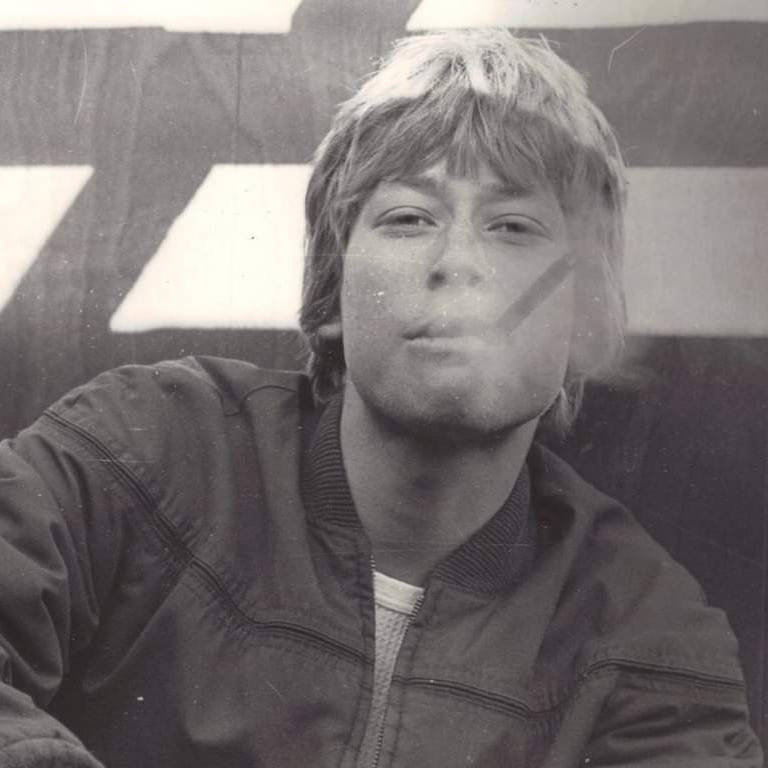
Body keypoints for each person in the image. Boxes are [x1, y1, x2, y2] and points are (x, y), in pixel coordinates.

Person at [0, 28, 761, 768]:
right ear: (333, 288)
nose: (458, 262)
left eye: (513, 226)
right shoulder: (141, 450)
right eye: (409, 218)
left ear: (583, 317)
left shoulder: (649, 635)